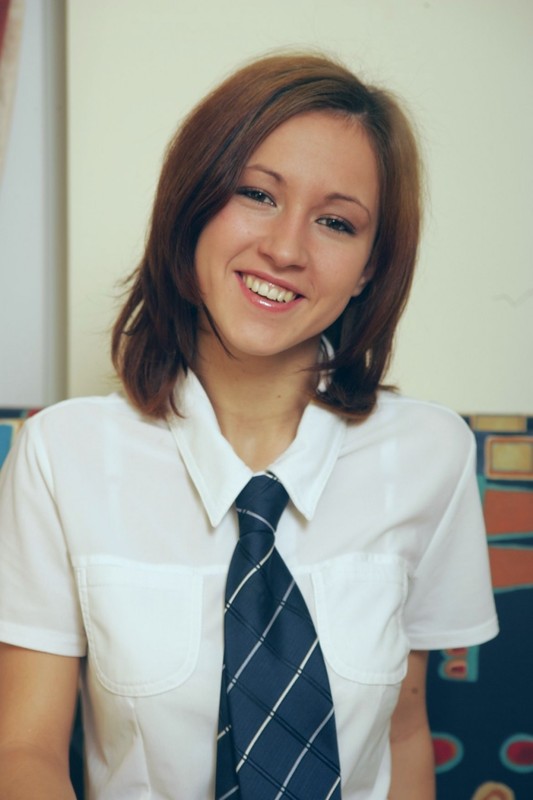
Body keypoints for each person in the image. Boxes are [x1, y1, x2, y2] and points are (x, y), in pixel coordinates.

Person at [0, 52, 498, 800]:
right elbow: (25, 750)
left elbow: (402, 730)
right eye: (257, 194)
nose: (286, 249)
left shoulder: (431, 456)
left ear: (369, 267)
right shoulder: (60, 456)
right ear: (193, 205)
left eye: (336, 222)